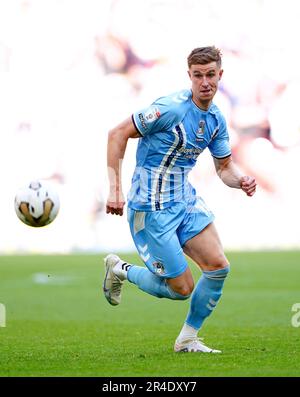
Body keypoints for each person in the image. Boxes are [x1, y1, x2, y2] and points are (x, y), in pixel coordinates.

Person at [103, 46, 256, 353]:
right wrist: (115, 188)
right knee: (182, 289)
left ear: (220, 75)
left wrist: (240, 180)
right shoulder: (169, 108)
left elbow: (224, 168)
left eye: (210, 74)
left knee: (218, 266)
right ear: (190, 76)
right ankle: (120, 270)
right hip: (150, 209)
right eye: (198, 75)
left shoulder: (215, 119)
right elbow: (117, 133)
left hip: (184, 202)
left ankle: (187, 339)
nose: (205, 82)